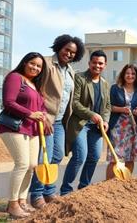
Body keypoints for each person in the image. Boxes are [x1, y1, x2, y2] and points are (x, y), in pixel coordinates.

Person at [29, 34, 85, 208]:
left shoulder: (70, 71)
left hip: (60, 121)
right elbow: (34, 87)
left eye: (73, 52)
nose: (69, 54)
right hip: (45, 118)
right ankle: (37, 194)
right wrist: (40, 112)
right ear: (59, 47)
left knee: (58, 155)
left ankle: (48, 191)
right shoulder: (45, 63)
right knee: (43, 157)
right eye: (66, 49)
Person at [0, 52, 47, 218]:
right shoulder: (15, 77)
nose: (35, 68)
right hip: (13, 127)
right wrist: (30, 114)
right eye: (32, 63)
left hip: (32, 130)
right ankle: (12, 204)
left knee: (32, 165)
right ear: (25, 62)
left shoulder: (34, 85)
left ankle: (22, 201)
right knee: (22, 163)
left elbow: (41, 107)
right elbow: (8, 102)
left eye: (39, 66)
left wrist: (44, 116)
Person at [60, 50, 111, 195]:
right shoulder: (79, 78)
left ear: (105, 65)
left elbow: (107, 106)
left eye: (100, 63)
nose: (97, 65)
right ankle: (66, 190)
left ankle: (83, 188)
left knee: (94, 157)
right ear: (89, 63)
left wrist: (105, 120)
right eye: (94, 62)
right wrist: (91, 114)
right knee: (80, 156)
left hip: (96, 127)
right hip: (80, 124)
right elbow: (74, 103)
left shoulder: (105, 84)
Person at [106, 64, 137, 178]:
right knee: (115, 158)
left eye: (133, 74)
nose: (130, 76)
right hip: (118, 128)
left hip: (134, 129)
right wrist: (121, 109)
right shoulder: (115, 88)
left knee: (130, 158)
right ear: (123, 75)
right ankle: (108, 186)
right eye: (128, 73)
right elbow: (108, 106)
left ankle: (125, 184)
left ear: (136, 76)